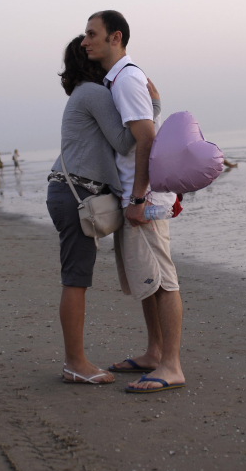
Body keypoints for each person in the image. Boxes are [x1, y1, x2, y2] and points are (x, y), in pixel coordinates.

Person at [47, 35, 162, 385]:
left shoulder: (85, 93)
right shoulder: (94, 93)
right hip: (78, 194)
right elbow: (127, 140)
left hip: (75, 192)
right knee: (76, 277)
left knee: (76, 275)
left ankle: (76, 361)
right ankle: (75, 364)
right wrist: (153, 105)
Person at [82, 10, 185, 393]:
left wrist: (139, 198)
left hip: (144, 198)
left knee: (162, 280)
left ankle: (171, 365)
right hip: (135, 195)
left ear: (116, 37)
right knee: (146, 279)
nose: (85, 41)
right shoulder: (122, 78)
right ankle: (154, 352)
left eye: (92, 34)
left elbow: (147, 139)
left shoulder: (125, 79)